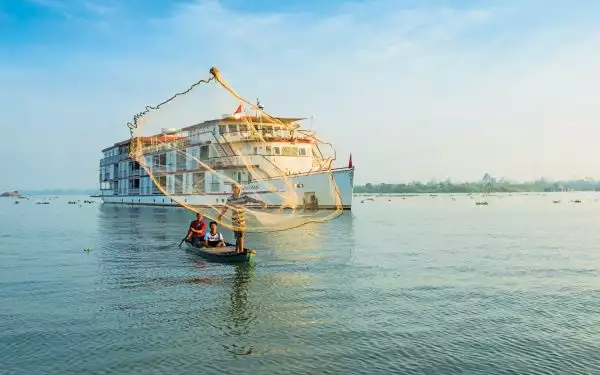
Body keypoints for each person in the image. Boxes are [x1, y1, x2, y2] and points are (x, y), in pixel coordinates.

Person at [218, 183, 267, 253]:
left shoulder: (244, 197)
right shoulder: (230, 199)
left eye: (236, 188)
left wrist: (261, 202)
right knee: (239, 236)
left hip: (242, 220)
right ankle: (239, 251)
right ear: (232, 189)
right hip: (234, 220)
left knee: (240, 236)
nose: (235, 189)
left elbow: (252, 200)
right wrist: (220, 216)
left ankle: (238, 251)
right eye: (233, 188)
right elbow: (225, 208)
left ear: (239, 189)